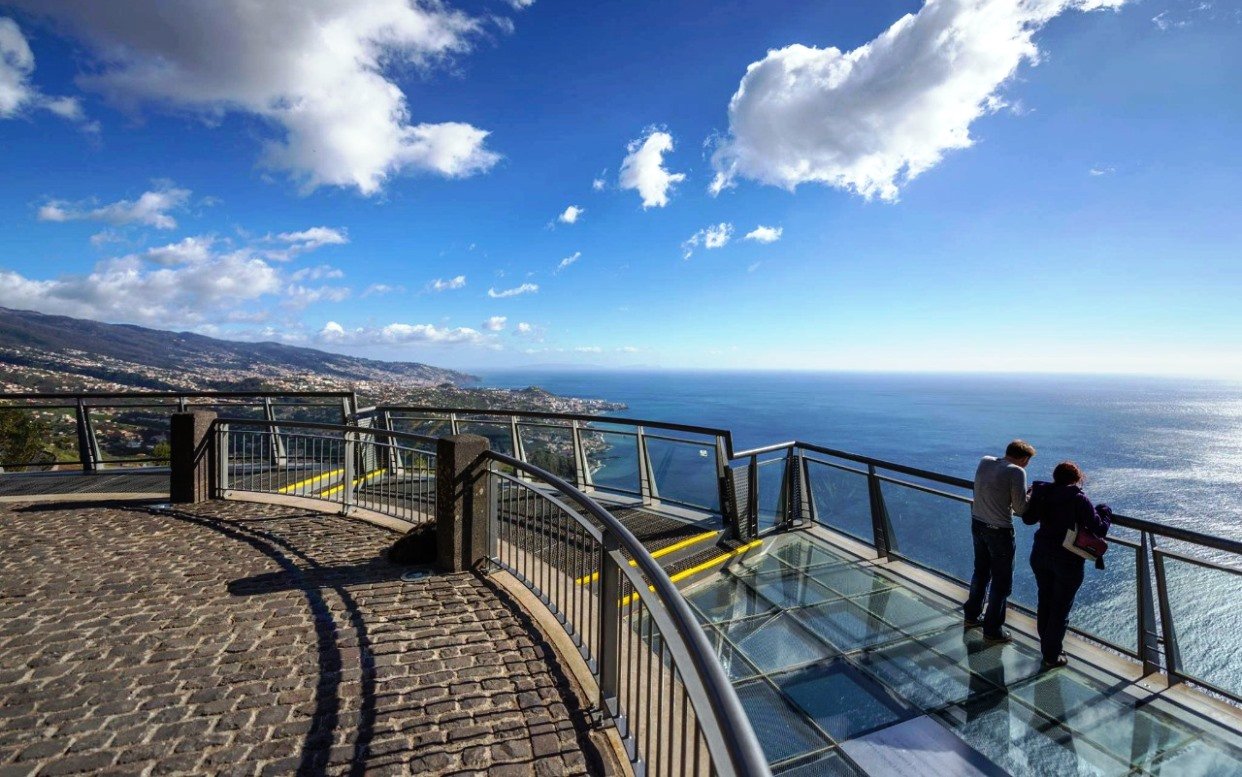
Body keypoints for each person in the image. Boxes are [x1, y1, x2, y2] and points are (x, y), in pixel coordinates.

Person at [1022, 461, 1110, 668]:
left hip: (1040, 553)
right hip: (1067, 560)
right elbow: (1099, 529)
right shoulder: (1078, 499)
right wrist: (1105, 511)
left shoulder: (1042, 492)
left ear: (1055, 476)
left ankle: (1047, 648)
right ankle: (1051, 655)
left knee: (1045, 601)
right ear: (1078, 478)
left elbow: (1028, 519)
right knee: (1060, 608)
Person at [963, 439, 1035, 642]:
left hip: (978, 523)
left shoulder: (985, 461)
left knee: (981, 572)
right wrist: (1030, 495)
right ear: (1023, 458)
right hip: (999, 530)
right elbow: (1021, 509)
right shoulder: (1017, 471)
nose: (1026, 465)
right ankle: (992, 629)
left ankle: (971, 615)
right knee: (1001, 582)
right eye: (1027, 461)